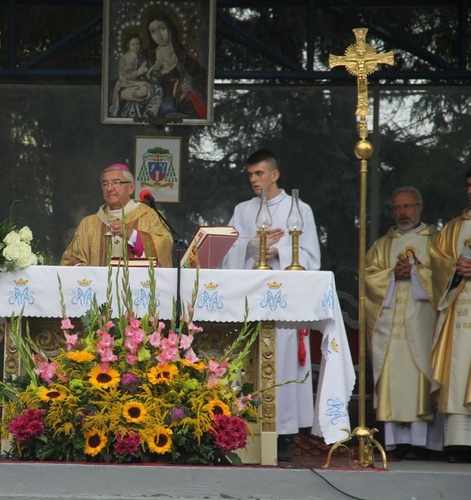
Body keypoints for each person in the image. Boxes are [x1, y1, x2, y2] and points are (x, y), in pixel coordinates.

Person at [220, 149, 321, 461]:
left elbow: (311, 257)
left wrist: (280, 253)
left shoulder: (299, 209)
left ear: (275, 175)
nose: (254, 180)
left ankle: (285, 433)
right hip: (250, 302)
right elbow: (229, 252)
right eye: (250, 175)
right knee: (247, 365)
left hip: (282, 304)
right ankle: (244, 430)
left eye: (259, 174)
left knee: (283, 363)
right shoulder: (242, 210)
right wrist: (251, 246)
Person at [365, 186, 442, 459]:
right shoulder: (382, 244)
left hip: (421, 323)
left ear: (419, 207)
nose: (402, 213)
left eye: (408, 207)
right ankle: (395, 442)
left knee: (420, 377)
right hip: (391, 326)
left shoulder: (436, 240)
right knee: (393, 378)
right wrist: (392, 275)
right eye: (397, 208)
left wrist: (417, 272)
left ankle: (423, 443)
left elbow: (444, 274)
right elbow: (369, 277)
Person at [429, 165, 471, 464]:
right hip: (461, 311)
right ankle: (460, 444)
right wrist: (453, 269)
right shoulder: (453, 228)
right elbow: (435, 262)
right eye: (469, 185)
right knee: (459, 368)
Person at [60, 163, 173, 267]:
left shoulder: (150, 216)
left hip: (137, 287)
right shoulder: (88, 223)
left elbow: (164, 246)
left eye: (116, 182)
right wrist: (79, 267)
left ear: (131, 188)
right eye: (105, 184)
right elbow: (70, 258)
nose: (109, 188)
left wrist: (131, 234)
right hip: (100, 288)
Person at [142, 13, 208, 119]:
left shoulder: (185, 60)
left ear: (170, 29)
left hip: (181, 111)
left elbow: (203, 87)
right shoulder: (145, 58)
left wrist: (185, 94)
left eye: (162, 28)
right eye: (153, 32)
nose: (159, 36)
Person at [108, 32, 154, 118]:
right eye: (133, 44)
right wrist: (137, 73)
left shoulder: (141, 58)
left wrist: (148, 72)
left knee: (148, 89)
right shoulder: (124, 59)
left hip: (138, 83)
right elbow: (123, 75)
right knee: (138, 92)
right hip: (125, 83)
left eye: (138, 44)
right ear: (128, 45)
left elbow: (145, 73)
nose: (136, 46)